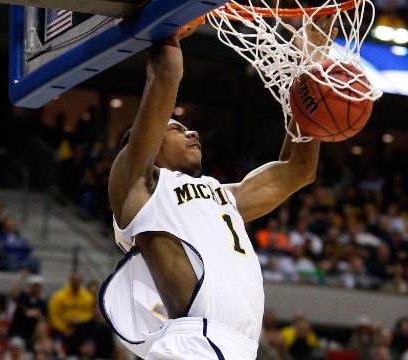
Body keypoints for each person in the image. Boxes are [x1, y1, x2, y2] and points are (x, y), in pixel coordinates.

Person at [99, 19, 335, 360]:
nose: (192, 134)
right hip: (194, 343)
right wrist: (167, 24)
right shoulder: (140, 188)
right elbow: (165, 75)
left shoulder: (223, 197)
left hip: (235, 348)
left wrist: (311, 69)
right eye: (177, 129)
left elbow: (299, 169)